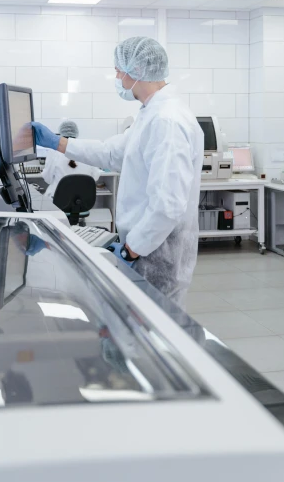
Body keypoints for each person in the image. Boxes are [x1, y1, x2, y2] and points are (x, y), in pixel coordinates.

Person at [32, 37, 204, 309]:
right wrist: (58, 143)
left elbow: (168, 205)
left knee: (154, 331)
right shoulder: (151, 114)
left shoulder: (167, 121)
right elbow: (110, 152)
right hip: (146, 247)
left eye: (118, 69)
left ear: (137, 71)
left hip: (156, 251)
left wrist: (130, 249)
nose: (116, 75)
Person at [41, 120, 101, 200]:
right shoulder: (87, 149)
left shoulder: (54, 151)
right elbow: (95, 176)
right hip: (82, 201)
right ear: (76, 133)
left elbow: (48, 179)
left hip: (59, 201)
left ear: (61, 133)